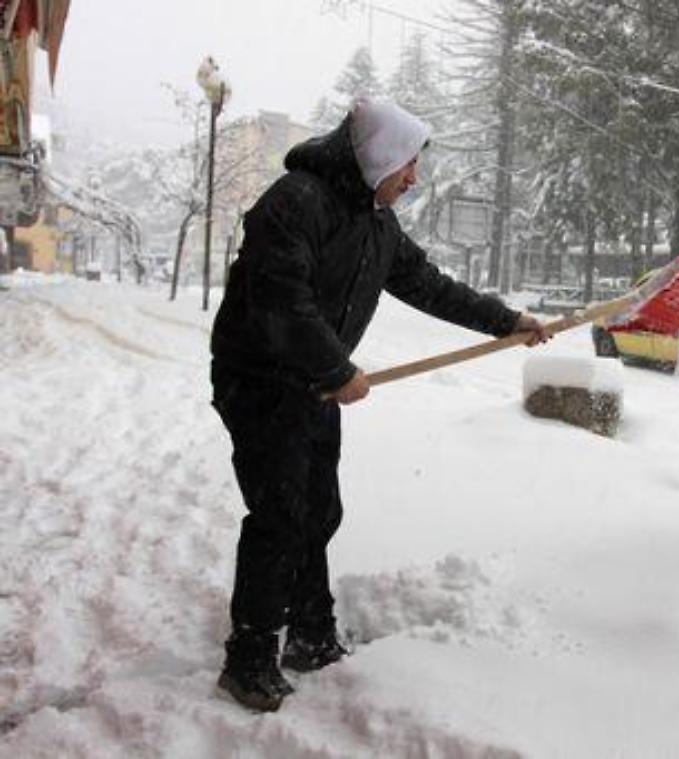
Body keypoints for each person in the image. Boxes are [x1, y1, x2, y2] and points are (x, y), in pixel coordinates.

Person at [209, 98, 549, 712]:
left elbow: (428, 284)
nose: (413, 179)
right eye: (407, 166)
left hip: (313, 382)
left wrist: (507, 321)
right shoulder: (296, 202)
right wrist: (336, 368)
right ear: (378, 157)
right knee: (279, 513)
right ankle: (250, 655)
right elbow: (279, 297)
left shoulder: (376, 221)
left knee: (318, 510)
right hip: (258, 379)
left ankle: (310, 631)